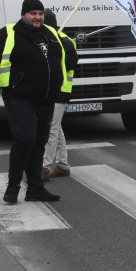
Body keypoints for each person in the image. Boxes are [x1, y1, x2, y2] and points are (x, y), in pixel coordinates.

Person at [0, 0, 67, 204]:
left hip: (46, 99)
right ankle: (14, 186)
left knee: (39, 142)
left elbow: (61, 61)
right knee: (25, 138)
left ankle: (35, 188)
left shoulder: (50, 34)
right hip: (20, 98)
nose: (37, 17)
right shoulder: (8, 33)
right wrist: (9, 84)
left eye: (40, 13)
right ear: (23, 15)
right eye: (33, 13)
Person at [41, 10, 79, 179]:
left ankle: (45, 167)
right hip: (55, 90)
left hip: (59, 91)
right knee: (57, 128)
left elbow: (70, 64)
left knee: (51, 130)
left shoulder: (63, 42)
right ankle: (63, 164)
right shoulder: (55, 40)